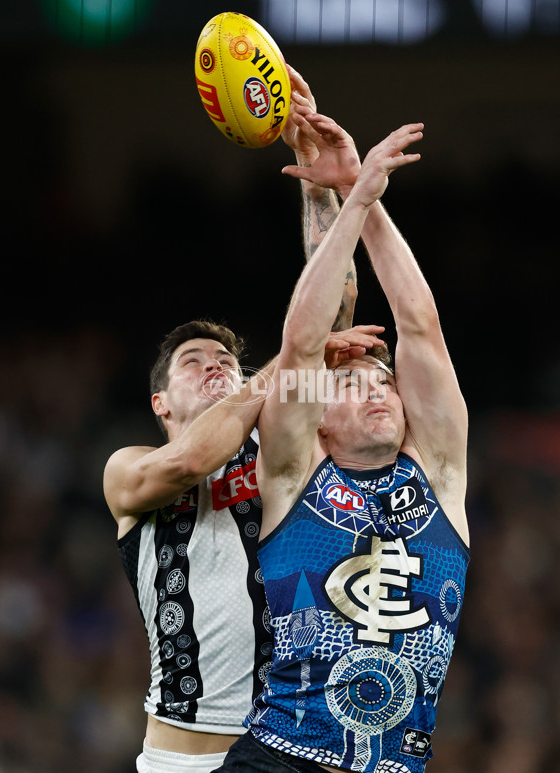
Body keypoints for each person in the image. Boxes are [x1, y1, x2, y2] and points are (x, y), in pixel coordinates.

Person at [103, 69, 385, 773]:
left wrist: (317, 178)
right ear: (160, 403)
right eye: (194, 361)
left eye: (226, 358)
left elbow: (332, 315)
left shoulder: (275, 438)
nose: (216, 365)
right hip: (180, 758)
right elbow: (190, 463)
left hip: (282, 752)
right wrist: (284, 363)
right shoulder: (130, 468)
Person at [213, 109, 470, 772]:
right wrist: (353, 197)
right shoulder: (296, 471)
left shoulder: (440, 472)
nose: (377, 390)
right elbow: (300, 344)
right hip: (280, 759)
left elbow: (421, 327)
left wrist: (366, 191)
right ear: (317, 417)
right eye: (352, 386)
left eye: (382, 382)